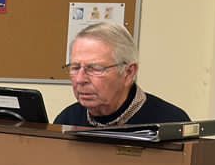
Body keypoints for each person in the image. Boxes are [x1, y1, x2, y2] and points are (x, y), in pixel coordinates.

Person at [53, 21, 188, 128]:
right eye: (75, 68)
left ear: (128, 73)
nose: (80, 79)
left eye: (95, 68)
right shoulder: (67, 120)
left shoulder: (171, 124)